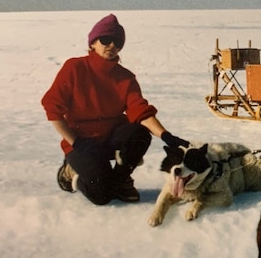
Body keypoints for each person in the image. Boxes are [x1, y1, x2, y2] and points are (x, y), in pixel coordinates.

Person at [41, 14, 189, 205]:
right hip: (81, 143)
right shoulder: (75, 68)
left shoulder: (125, 77)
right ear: (93, 43)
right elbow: (52, 108)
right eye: (106, 39)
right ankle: (71, 173)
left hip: (110, 139)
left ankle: (120, 180)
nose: (112, 45)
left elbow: (140, 111)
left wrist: (166, 135)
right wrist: (75, 142)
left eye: (117, 42)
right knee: (101, 195)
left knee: (139, 133)